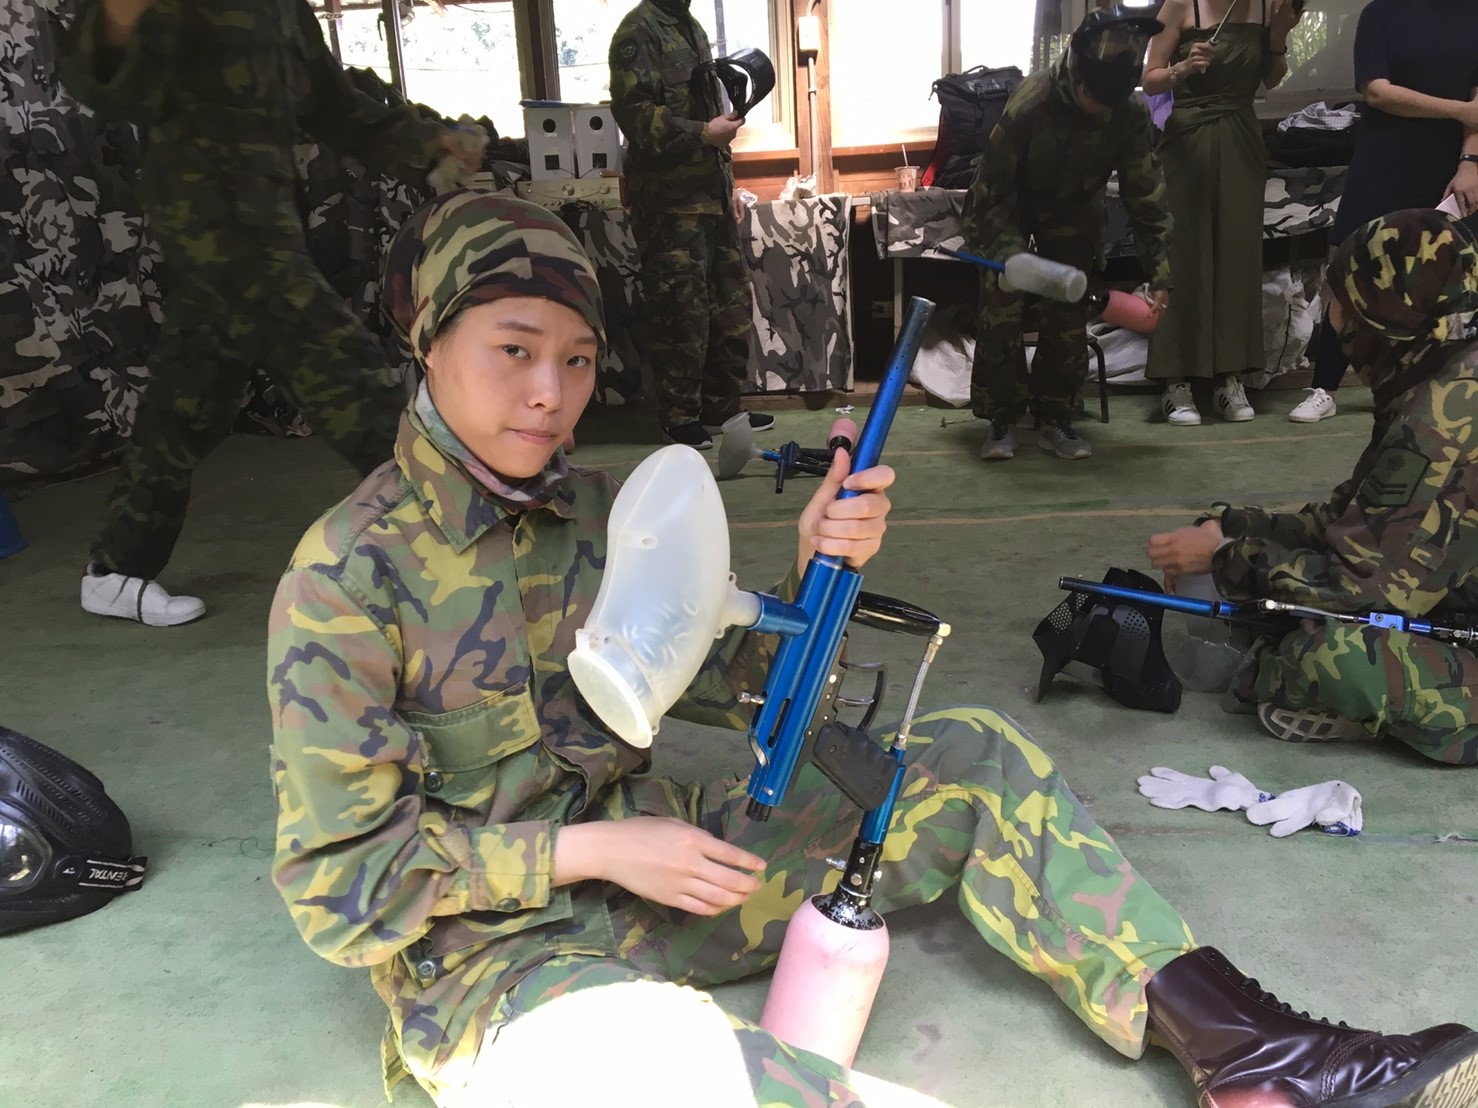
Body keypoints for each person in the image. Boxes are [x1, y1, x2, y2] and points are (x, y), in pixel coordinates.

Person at [266, 191, 1478, 1108]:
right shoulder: (345, 576)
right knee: (712, 1076)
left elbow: (740, 682)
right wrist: (590, 846)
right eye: (513, 349)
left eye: (576, 359)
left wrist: (810, 577)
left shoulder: (595, 510)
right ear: (429, 342)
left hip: (660, 876)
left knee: (967, 759)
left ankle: (1254, 1059)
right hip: (486, 959)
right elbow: (337, 889)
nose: (550, 391)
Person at [59, 0, 477, 626]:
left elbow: (334, 103)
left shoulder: (282, 10)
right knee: (344, 369)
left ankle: (117, 570)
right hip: (213, 226)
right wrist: (119, 19)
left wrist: (428, 141)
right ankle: (455, 538)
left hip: (265, 223)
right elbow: (103, 83)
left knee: (188, 397)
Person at [1148, 208, 1478, 764]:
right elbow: (1350, 522)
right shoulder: (1436, 380)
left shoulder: (1442, 422)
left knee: (1326, 657)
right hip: (1454, 602)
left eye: (1338, 299)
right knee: (1293, 613)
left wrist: (1227, 559)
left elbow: (1365, 591)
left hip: (1442, 611)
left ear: (1377, 311)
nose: (1332, 316)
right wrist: (1234, 526)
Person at [965, 5, 1172, 464]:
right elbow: (988, 191)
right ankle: (1001, 418)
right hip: (1010, 205)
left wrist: (1160, 271)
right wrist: (1006, 256)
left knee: (1069, 306)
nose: (1101, 111)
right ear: (1078, 79)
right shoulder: (1032, 102)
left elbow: (1146, 195)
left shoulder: (1128, 112)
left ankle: (1055, 416)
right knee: (1002, 306)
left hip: (1076, 207)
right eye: (1094, 98)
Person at [1289, 0, 1478, 425]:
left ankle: (1441, 386)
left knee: (1453, 277)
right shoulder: (1382, 13)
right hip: (1384, 160)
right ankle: (1324, 387)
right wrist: (1458, 110)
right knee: (1350, 270)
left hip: (1452, 165)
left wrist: (1471, 164)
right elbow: (1377, 92)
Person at [608, 0, 772, 453]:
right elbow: (636, 118)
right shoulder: (638, 32)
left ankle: (722, 408)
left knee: (730, 306)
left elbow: (709, 111)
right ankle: (679, 417)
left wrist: (729, 184)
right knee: (682, 313)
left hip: (711, 197)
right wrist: (703, 134)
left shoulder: (690, 26)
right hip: (669, 207)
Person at [1141, 0, 1302, 427]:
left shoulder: (1266, 7)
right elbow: (1149, 81)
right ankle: (1176, 381)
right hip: (1187, 138)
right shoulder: (1180, 5)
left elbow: (1271, 79)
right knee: (1184, 252)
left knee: (1237, 254)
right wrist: (1182, 69)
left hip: (1241, 135)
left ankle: (1229, 378)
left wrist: (1279, 35)